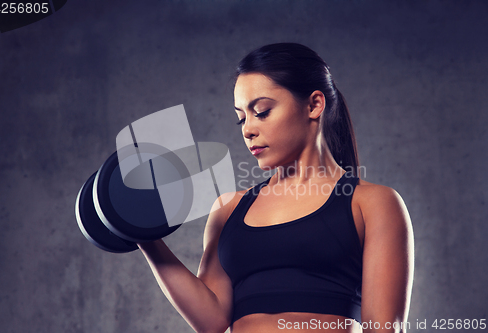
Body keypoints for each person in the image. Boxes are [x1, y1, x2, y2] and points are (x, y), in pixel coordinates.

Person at [138, 43, 414, 333]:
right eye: (241, 118)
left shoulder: (372, 203)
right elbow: (212, 320)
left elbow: (384, 328)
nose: (247, 129)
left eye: (262, 112)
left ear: (314, 105)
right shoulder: (227, 210)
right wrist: (145, 236)